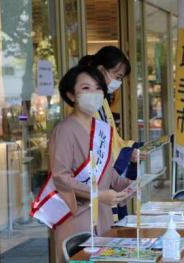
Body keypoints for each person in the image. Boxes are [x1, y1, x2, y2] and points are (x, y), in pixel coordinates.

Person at [31, 65, 132, 262]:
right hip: (76, 218)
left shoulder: (103, 129)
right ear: (71, 95)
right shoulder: (64, 131)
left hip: (102, 216)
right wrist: (97, 194)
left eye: (98, 88)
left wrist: (126, 185)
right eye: (86, 88)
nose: (93, 93)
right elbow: (61, 178)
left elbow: (107, 171)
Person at [79, 46, 143, 220]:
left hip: (104, 182)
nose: (118, 82)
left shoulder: (101, 100)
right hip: (91, 186)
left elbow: (112, 139)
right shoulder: (85, 106)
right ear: (100, 70)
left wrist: (131, 150)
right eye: (117, 76)